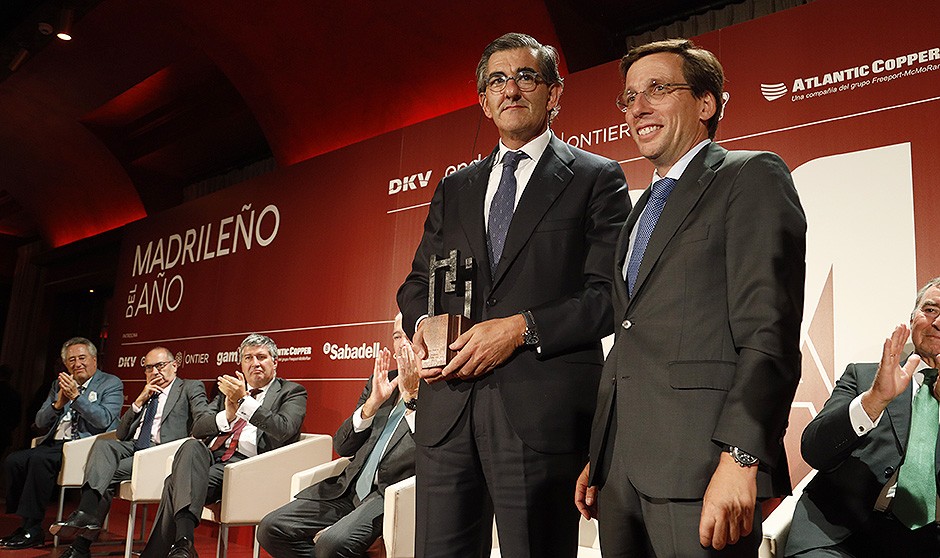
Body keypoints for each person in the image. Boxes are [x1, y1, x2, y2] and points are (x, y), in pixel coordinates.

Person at [397, 32, 629, 557]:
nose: (512, 89)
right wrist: (429, 335)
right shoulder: (454, 188)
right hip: (448, 408)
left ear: (554, 93)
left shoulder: (595, 178)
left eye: (527, 76)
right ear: (483, 101)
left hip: (538, 414)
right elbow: (416, 285)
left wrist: (521, 329)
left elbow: (607, 297)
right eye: (497, 80)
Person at [575, 38, 806, 557]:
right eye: (629, 96)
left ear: (707, 103)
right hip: (619, 477)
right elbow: (633, 339)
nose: (637, 106)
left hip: (702, 473)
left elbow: (769, 332)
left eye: (657, 88)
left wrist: (741, 458)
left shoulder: (750, 176)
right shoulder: (639, 211)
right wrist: (603, 450)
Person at [784, 278, 940, 557]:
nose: (938, 321)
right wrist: (874, 400)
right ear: (912, 318)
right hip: (839, 537)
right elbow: (814, 451)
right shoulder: (865, 376)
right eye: (930, 310)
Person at [257, 314, 419, 558]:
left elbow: (434, 450)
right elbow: (342, 445)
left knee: (331, 544)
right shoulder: (382, 381)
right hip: (348, 488)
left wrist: (411, 399)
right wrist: (371, 405)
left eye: (408, 335)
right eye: (397, 336)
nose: (402, 343)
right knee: (271, 528)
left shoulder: (438, 386)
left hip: (390, 495)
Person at [140, 333, 307, 558]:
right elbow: (198, 428)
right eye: (248, 358)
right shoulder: (226, 392)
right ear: (241, 364)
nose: (255, 363)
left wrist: (244, 402)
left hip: (251, 466)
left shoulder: (292, 392)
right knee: (190, 447)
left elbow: (284, 429)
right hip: (216, 460)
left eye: (261, 357)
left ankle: (181, 544)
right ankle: (183, 544)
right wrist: (228, 414)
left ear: (275, 362)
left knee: (174, 482)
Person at [50, 346, 210, 558]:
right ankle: (85, 514)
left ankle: (81, 544)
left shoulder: (189, 387)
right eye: (149, 368)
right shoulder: (148, 393)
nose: (155, 372)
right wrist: (138, 402)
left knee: (104, 477)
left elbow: (202, 418)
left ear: (174, 366)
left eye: (160, 366)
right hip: (134, 449)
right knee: (104, 447)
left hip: (161, 453)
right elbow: (121, 434)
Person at [0, 337, 123, 550]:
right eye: (72, 360)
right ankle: (24, 522)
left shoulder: (110, 383)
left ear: (94, 360)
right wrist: (58, 404)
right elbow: (39, 421)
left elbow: (104, 420)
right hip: (54, 444)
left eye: (82, 358)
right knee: (14, 460)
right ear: (66, 364)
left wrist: (77, 398)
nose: (77, 364)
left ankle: (33, 528)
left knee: (39, 459)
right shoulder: (59, 384)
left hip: (85, 446)